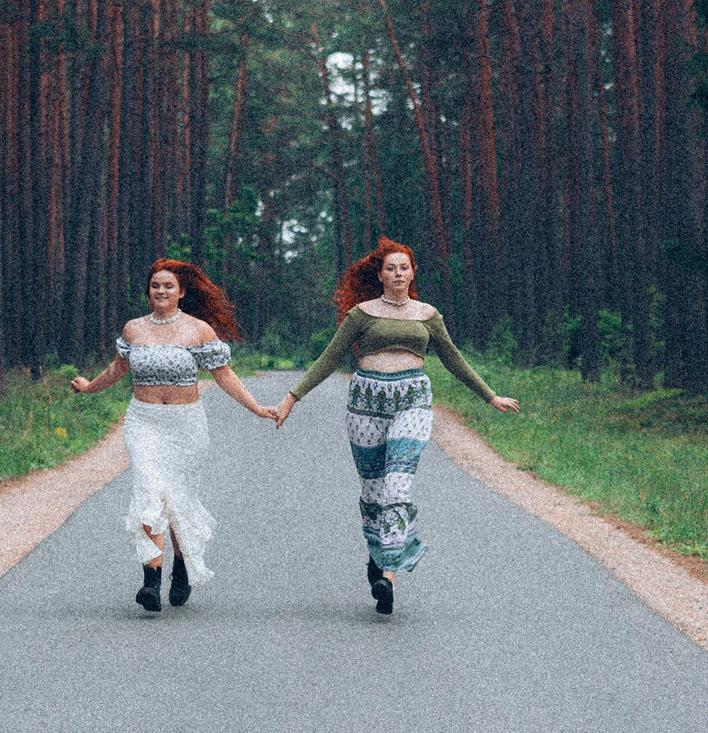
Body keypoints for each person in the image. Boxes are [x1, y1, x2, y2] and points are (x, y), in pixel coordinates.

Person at [272, 239, 519, 614]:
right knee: (373, 492)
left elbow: (453, 359)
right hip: (366, 403)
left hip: (412, 401)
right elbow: (330, 358)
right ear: (380, 274)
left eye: (404, 268)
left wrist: (490, 396)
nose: (398, 274)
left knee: (397, 486)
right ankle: (377, 551)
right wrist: (292, 397)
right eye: (391, 268)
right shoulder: (362, 314)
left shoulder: (427, 315)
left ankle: (388, 575)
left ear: (413, 272)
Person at [71, 260, 277, 611]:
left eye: (168, 286)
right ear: (148, 292)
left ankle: (181, 569)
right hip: (143, 421)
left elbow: (224, 375)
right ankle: (151, 580)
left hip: (186, 425)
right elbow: (118, 368)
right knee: (149, 490)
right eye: (155, 286)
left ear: (182, 292)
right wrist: (90, 387)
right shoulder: (134, 330)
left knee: (179, 499)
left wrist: (256, 407)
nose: (161, 291)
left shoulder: (197, 331)